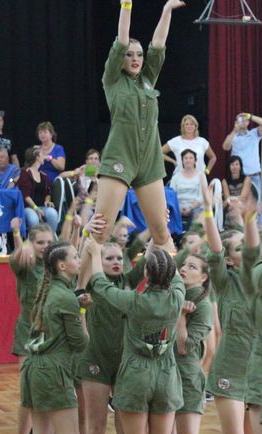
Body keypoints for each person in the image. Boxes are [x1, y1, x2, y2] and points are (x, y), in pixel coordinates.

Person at [83, 238, 186, 434]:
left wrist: (94, 252)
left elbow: (99, 284)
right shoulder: (177, 297)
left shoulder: (134, 301)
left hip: (135, 378)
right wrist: (161, 242)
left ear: (147, 275)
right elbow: (173, 274)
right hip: (165, 377)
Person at [92, 0, 186, 257]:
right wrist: (126, 4)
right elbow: (122, 40)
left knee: (162, 233)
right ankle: (83, 281)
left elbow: (158, 44)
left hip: (149, 161)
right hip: (120, 157)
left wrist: (166, 10)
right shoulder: (112, 79)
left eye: (139, 55)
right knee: (101, 231)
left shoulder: (148, 79)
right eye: (129, 55)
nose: (135, 59)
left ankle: (171, 280)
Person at [21, 240, 99, 434]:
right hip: (54, 372)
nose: (79, 260)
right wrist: (82, 313)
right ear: (62, 265)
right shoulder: (65, 297)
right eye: (75, 257)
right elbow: (80, 342)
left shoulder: (49, 291)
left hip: (34, 368)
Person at [200, 179, 259, 434]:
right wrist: (209, 210)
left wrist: (249, 216)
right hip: (229, 373)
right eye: (236, 247)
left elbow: (254, 247)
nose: (244, 250)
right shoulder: (225, 281)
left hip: (259, 376)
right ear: (230, 259)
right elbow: (214, 247)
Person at [77, 240, 144, 434]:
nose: (116, 262)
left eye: (119, 258)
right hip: (96, 361)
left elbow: (155, 249)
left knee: (125, 429)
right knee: (96, 427)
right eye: (109, 258)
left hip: (125, 364)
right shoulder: (93, 283)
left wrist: (158, 227)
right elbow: (83, 264)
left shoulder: (129, 281)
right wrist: (91, 244)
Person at [167, 251, 225, 434]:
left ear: (203, 277)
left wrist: (181, 317)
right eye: (184, 264)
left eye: (192, 266)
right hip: (170, 375)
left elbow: (184, 347)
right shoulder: (179, 295)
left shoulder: (201, 306)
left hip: (188, 379)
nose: (184, 268)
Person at [9, 218, 54, 434]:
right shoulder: (26, 263)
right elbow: (18, 258)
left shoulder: (56, 266)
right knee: (28, 395)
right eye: (40, 242)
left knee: (51, 394)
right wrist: (18, 235)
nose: (45, 247)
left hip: (52, 336)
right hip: (28, 334)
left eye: (49, 242)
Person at [222, 112, 262, 202]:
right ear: (236, 122)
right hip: (239, 178)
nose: (243, 121)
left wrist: (250, 116)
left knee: (256, 205)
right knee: (239, 204)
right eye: (240, 119)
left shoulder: (254, 133)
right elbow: (225, 147)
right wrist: (234, 130)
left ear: (248, 122)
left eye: (245, 119)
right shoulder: (232, 136)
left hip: (254, 176)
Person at [19, 146, 59, 233]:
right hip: (29, 207)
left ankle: (50, 239)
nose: (44, 157)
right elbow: (25, 196)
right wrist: (36, 208)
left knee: (52, 213)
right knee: (33, 219)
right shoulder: (25, 173)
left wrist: (47, 200)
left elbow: (47, 192)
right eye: (42, 154)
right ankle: (34, 240)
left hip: (42, 206)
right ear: (37, 157)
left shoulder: (43, 175)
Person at [168, 149, 204, 230]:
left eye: (191, 158)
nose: (188, 160)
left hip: (195, 209)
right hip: (178, 209)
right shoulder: (175, 177)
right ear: (182, 161)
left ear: (195, 161)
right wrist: (179, 208)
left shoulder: (201, 176)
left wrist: (190, 208)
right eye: (186, 158)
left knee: (196, 214)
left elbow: (201, 197)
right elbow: (172, 195)